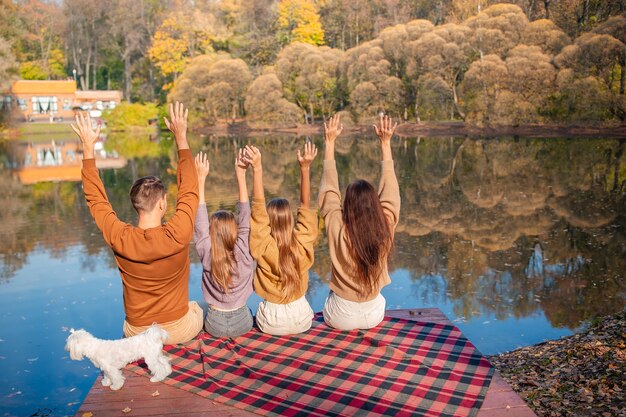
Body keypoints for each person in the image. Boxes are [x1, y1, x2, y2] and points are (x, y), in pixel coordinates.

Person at [72, 101, 203, 344]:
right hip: (178, 330)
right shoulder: (178, 233)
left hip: (138, 335)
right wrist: (180, 138)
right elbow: (189, 190)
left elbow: (96, 200)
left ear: (136, 205)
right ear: (162, 204)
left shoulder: (120, 237)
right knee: (199, 306)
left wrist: (88, 147)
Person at [318, 114, 400, 331]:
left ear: (348, 204)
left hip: (340, 318)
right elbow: (391, 193)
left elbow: (329, 192)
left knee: (330, 298)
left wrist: (329, 142)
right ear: (375, 204)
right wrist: (385, 144)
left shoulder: (338, 227)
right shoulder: (385, 227)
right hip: (374, 315)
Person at [242, 143, 318, 335]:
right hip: (302, 318)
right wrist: (305, 169)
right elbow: (305, 206)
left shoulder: (264, 246)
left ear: (269, 221)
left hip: (271, 322)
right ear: (291, 219)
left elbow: (258, 209)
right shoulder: (301, 242)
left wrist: (257, 168)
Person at [193, 150, 255, 338]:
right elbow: (245, 216)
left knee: (196, 307)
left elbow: (200, 223)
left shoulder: (207, 251)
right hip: (244, 322)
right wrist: (241, 175)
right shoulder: (244, 249)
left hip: (215, 325)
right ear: (235, 230)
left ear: (212, 232)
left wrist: (200, 180)